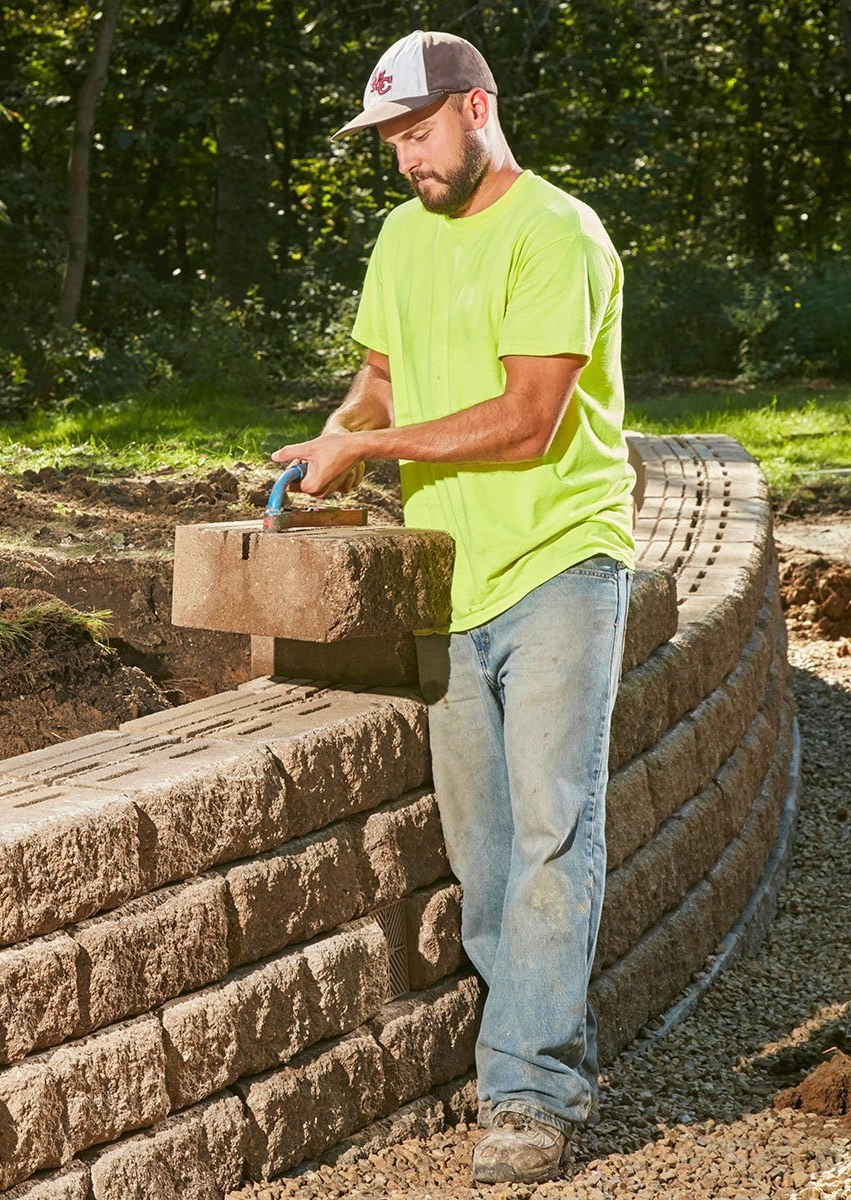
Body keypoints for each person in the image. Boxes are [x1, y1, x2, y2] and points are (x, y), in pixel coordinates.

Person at [270, 29, 637, 1186]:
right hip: (449, 577)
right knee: (484, 856)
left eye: (418, 134)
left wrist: (372, 445)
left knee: (548, 832)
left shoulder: (555, 234)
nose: (406, 162)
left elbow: (529, 416)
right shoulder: (399, 236)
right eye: (390, 143)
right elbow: (380, 375)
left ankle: (533, 1091)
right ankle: (532, 1044)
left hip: (559, 564)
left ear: (476, 108)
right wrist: (339, 435)